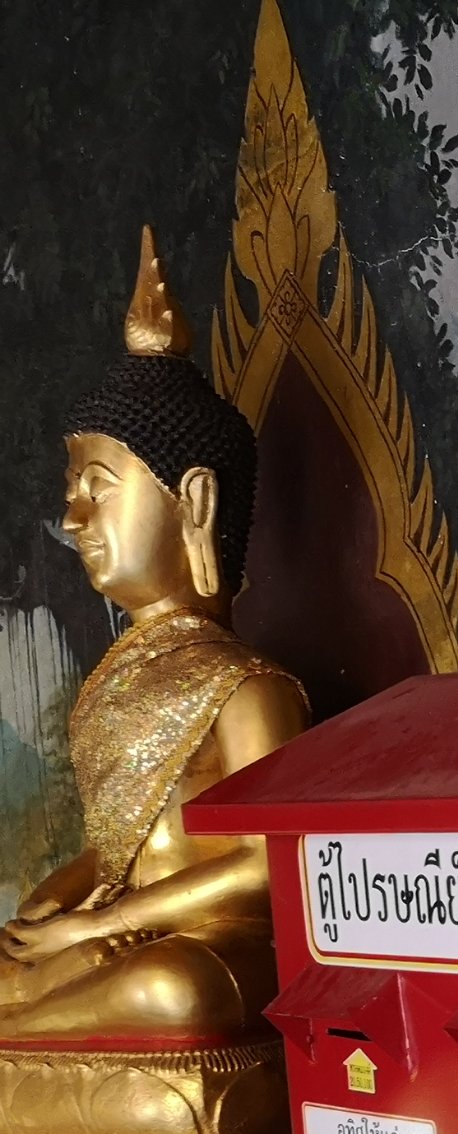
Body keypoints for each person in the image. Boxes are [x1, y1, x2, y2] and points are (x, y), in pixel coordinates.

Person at [7, 230, 306, 1040]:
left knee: (173, 991)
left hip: (208, 949)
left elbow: (268, 867)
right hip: (113, 936)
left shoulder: (251, 688)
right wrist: (50, 906)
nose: (74, 518)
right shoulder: (113, 682)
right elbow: (112, 849)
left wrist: (101, 926)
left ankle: (37, 1023)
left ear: (194, 501)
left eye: (97, 488)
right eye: (71, 490)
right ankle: (43, 1015)